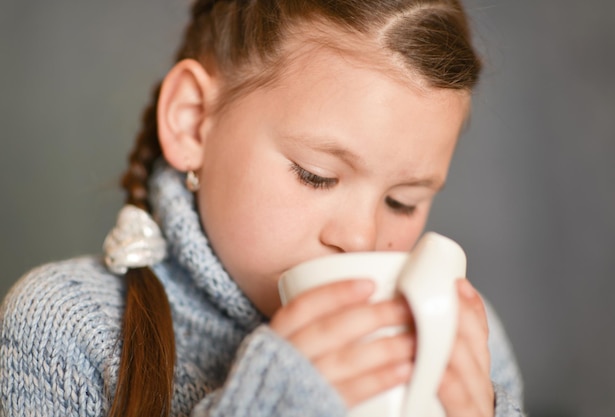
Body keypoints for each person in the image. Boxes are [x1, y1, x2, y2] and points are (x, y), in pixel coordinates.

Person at [0, 1, 525, 416]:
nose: (361, 238)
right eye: (315, 175)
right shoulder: (67, 329)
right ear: (193, 123)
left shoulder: (456, 337)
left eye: (401, 201)